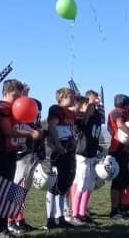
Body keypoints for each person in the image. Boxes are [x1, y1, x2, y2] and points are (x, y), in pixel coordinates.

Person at [0, 80, 41, 238]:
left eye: (19, 96)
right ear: (4, 94)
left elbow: (23, 114)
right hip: (2, 153)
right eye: (14, 96)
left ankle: (5, 226)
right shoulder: (1, 107)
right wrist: (30, 134)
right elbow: (7, 131)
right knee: (3, 193)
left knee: (10, 191)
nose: (17, 99)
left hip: (11, 153)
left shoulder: (12, 107)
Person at [45, 87, 80, 229]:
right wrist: (58, 145)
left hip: (69, 151)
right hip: (57, 151)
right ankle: (50, 218)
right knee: (54, 184)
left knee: (64, 185)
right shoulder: (56, 109)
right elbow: (52, 127)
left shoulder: (71, 113)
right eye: (70, 95)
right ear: (62, 97)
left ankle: (60, 216)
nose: (73, 98)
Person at [71, 90, 102, 225]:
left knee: (89, 184)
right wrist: (89, 104)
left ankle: (82, 213)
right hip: (82, 154)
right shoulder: (80, 117)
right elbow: (81, 122)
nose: (98, 100)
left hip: (91, 153)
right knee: (82, 184)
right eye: (95, 98)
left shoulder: (95, 116)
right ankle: (75, 214)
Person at [108, 94, 129, 219]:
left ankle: (121, 207)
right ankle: (115, 210)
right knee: (118, 181)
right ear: (125, 105)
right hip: (117, 149)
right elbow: (120, 125)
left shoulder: (122, 112)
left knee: (124, 180)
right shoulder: (117, 112)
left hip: (123, 150)